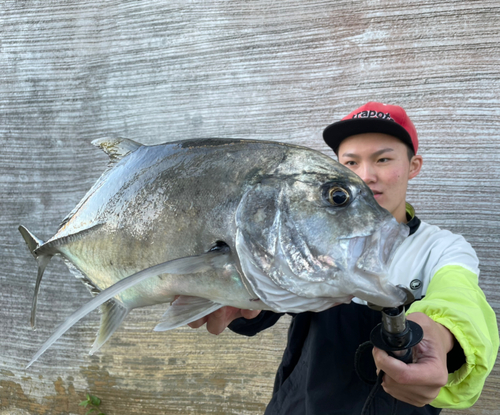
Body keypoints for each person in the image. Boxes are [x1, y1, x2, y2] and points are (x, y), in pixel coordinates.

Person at [187, 102, 499, 415]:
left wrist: (443, 337)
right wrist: (239, 301)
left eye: (383, 159)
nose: (366, 175)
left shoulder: (442, 247)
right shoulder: (310, 234)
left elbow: (462, 302)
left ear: (413, 165)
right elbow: (269, 302)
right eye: (350, 163)